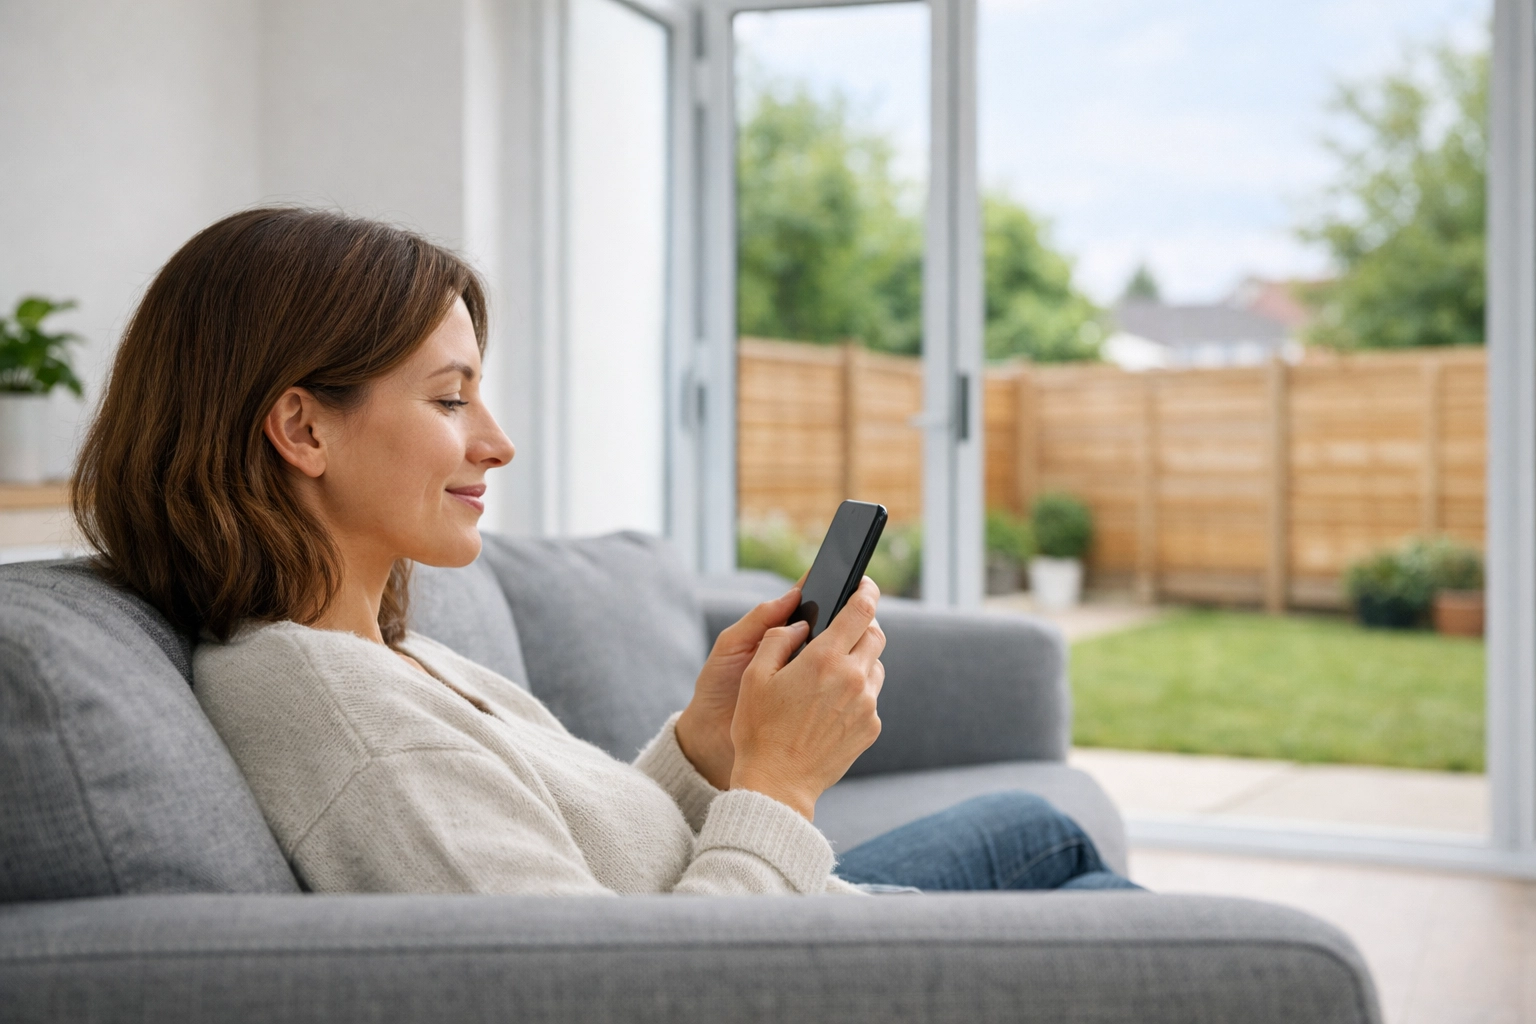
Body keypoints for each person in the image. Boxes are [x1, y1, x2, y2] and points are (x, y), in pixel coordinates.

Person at [73, 207, 1136, 896]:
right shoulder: (339, 713)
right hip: (773, 962)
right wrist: (780, 782)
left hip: (762, 920)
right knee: (1054, 856)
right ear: (302, 429)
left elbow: (583, 871)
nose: (496, 440)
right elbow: (627, 988)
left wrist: (708, 746)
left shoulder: (385, 653)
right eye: (450, 398)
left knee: (1039, 839)